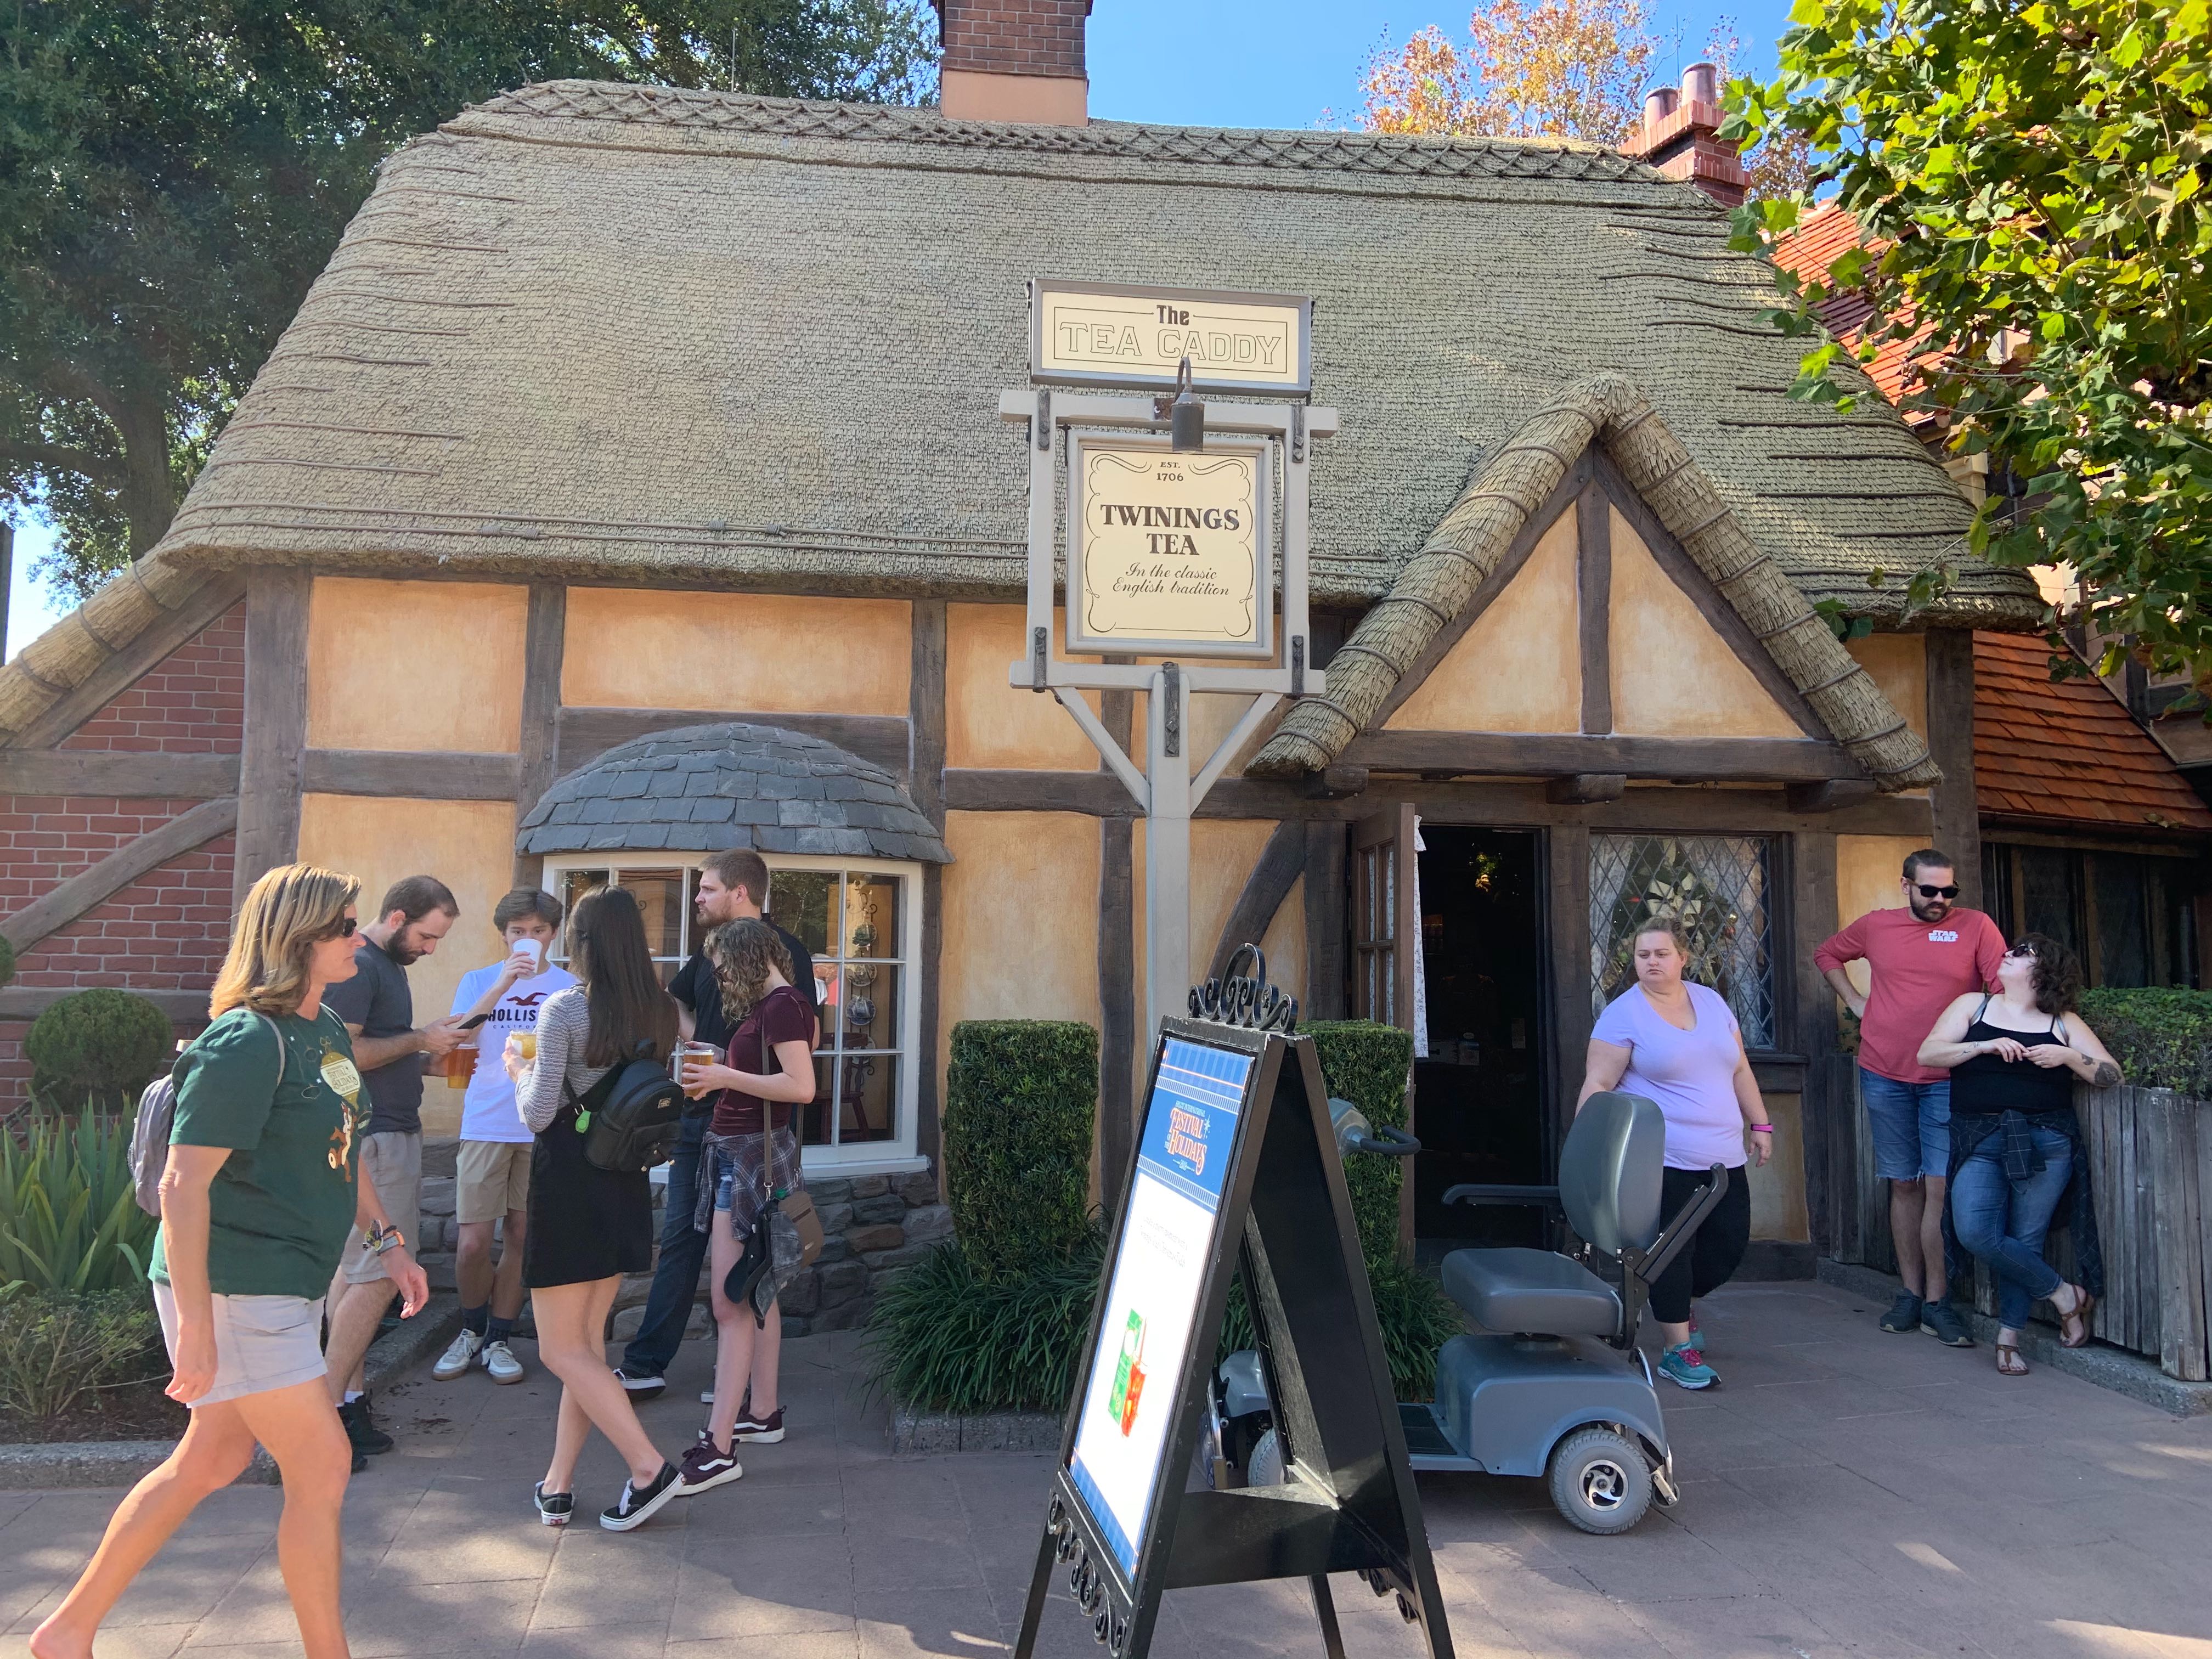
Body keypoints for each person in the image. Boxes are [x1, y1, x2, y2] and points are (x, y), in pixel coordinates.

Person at [29, 865, 428, 1659]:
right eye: (344, 927)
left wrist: (389, 1244)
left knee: (210, 1459)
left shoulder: (322, 1033)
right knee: (324, 1466)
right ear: (299, 939)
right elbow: (182, 1187)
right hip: (237, 1286)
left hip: (278, 1284)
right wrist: (201, 1328)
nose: (359, 938)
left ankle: (66, 1632)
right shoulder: (244, 1040)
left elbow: (341, 1153)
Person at [507, 883, 687, 1531]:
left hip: (569, 1185)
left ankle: (648, 1468)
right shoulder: (662, 1011)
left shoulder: (565, 1010)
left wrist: (515, 1067)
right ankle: (558, 1483)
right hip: (625, 1181)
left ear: (583, 944)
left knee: (561, 1352)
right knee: (584, 1346)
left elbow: (537, 1113)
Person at [617, 849, 816, 1404]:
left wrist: (731, 1063)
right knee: (682, 1237)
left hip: (756, 1138)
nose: (698, 899)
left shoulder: (787, 956)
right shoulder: (707, 952)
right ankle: (646, 1364)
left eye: (706, 889)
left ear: (741, 893)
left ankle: (745, 1385)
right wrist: (695, 1039)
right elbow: (674, 1002)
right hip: (698, 1122)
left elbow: (804, 1050)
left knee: (751, 1261)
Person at [1813, 848, 2004, 1346]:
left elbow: (2004, 987)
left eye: (1948, 891)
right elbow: (1827, 953)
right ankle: (1909, 1295)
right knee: (1903, 1185)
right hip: (1884, 1071)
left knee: (1939, 1190)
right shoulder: (1877, 926)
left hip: (1947, 1077)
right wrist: (1855, 1000)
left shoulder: (1977, 926)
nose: (1940, 900)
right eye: (1929, 891)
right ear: (1906, 886)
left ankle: (1940, 1303)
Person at [1579, 916, 1772, 1390]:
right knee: (1671, 1253)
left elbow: (1741, 1069)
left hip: (1724, 1157)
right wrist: (1586, 1145)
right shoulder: (1624, 1015)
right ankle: (1676, 1349)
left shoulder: (1711, 1002)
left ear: (1683, 958)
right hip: (1661, 1158)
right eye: (1643, 955)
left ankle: (1676, 1301)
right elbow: (1599, 1083)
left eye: (1661, 953)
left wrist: (1761, 1123)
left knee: (1727, 1246)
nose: (1651, 962)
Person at [1918, 933, 2114, 1376]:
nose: (2008, 953)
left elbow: (2110, 1073)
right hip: (1981, 1138)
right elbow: (1928, 1053)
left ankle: (2009, 1338)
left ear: (2044, 971)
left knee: (2026, 1239)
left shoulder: (2063, 1021)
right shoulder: (1975, 1006)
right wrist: (1983, 1047)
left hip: (2047, 1140)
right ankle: (2065, 1294)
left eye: (2022, 953)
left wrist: (2067, 1056)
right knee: (1975, 1231)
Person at [320, 875, 467, 1461]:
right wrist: (419, 1041)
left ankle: (349, 1401)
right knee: (381, 1273)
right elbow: (342, 1056)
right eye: (428, 936)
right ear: (400, 916)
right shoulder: (364, 969)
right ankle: (325, 1415)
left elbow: (381, 1053)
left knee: (352, 1275)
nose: (431, 949)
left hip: (381, 1132)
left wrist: (431, 1060)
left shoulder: (386, 968)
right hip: (376, 1139)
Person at [673, 918, 818, 1492]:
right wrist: (722, 1075)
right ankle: (764, 1412)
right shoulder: (782, 1004)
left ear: (748, 957)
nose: (722, 977)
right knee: (756, 1290)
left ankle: (718, 1447)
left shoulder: (781, 1006)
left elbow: (801, 1087)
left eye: (725, 965)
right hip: (746, 1156)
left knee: (729, 1301)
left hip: (748, 1162)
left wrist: (724, 1074)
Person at [432, 889, 577, 1387]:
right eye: (518, 932)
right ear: (504, 935)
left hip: (540, 1124)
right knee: (472, 1242)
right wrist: (502, 984)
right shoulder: (478, 981)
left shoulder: (570, 987)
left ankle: (498, 1339)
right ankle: (470, 1330)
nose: (528, 940)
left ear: (553, 934)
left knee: (520, 1235)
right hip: (486, 1122)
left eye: (538, 931)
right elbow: (458, 1038)